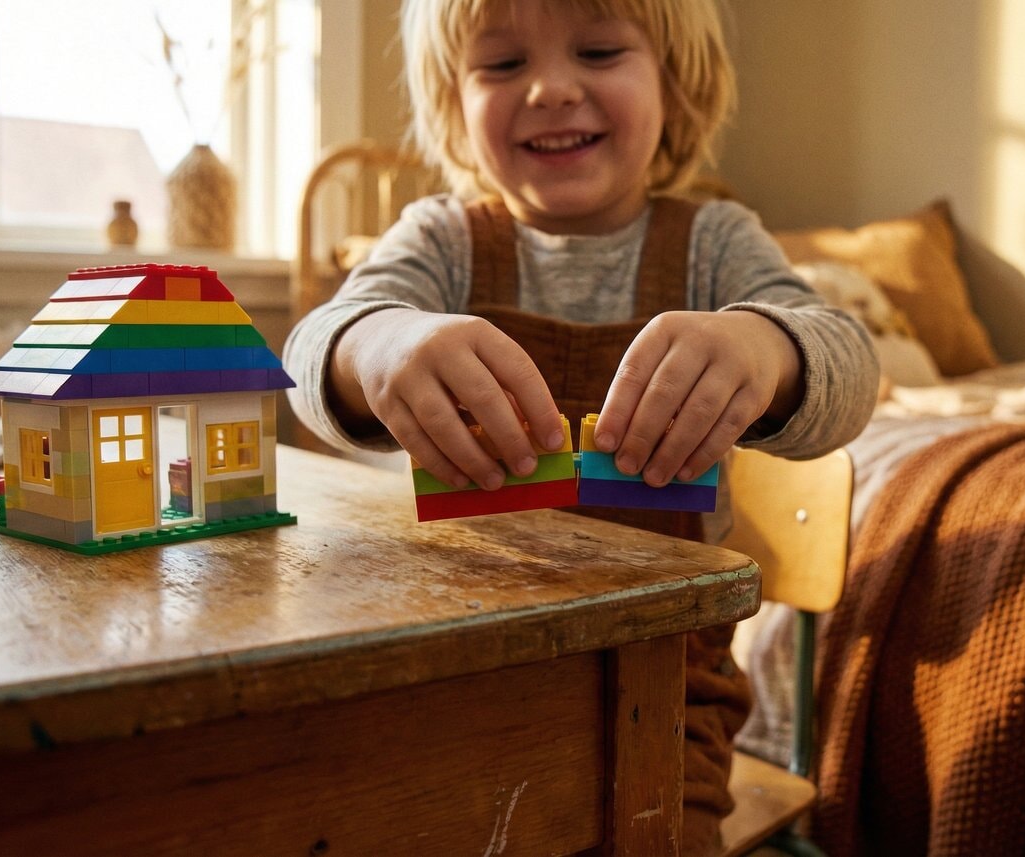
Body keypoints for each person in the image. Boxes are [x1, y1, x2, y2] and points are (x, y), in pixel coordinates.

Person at [285, 0, 879, 850]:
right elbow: (311, 351)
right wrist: (377, 342)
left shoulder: (716, 244)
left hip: (666, 697)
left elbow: (850, 363)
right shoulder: (442, 242)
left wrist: (766, 345)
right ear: (454, 103)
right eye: (501, 65)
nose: (552, 89)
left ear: (677, 85)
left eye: (599, 51)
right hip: (450, 679)